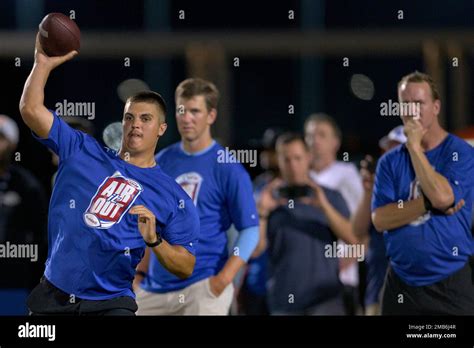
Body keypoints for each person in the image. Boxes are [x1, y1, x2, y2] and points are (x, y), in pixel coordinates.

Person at [20, 33, 199, 316]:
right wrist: (42, 64)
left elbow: (186, 265)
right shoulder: (82, 150)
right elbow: (30, 110)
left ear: (162, 129)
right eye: (130, 117)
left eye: (145, 118)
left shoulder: (172, 195)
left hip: (111, 303)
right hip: (52, 295)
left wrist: (154, 240)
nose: (135, 125)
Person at [135, 78, 259, 315]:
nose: (186, 117)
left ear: (211, 116)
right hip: (155, 287)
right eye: (181, 110)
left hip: (204, 285)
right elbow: (150, 224)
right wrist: (139, 274)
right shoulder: (160, 162)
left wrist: (222, 280)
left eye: (195, 111)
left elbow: (250, 230)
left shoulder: (228, 167)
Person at [371, 71, 474, 315]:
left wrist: (415, 148)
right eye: (406, 103)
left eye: (419, 103)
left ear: (436, 106)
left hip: (450, 283)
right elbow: (380, 219)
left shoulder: (459, 152)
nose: (412, 110)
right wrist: (427, 203)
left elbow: (443, 197)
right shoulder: (389, 162)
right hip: (401, 283)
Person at [258, 133, 359, 315]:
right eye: (286, 159)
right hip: (284, 302)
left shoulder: (330, 196)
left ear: (308, 157)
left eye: (298, 158)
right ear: (278, 161)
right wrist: (262, 213)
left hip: (326, 300)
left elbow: (353, 239)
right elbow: (256, 249)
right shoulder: (268, 200)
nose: (293, 165)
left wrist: (325, 208)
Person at [304, 113, 364, 314]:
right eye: (310, 136)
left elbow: (363, 225)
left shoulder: (347, 174)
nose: (315, 141)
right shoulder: (304, 178)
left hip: (342, 278)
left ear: (336, 142)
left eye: (322, 135)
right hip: (308, 278)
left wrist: (347, 261)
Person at [351, 125, 406, 315]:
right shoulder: (380, 190)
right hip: (378, 294)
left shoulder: (422, 191)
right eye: (388, 151)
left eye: (398, 150)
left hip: (413, 296)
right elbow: (357, 230)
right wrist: (368, 192)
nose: (390, 156)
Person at [0, 115, 47, 314]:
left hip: (13, 283)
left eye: (0, 138)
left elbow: (41, 235)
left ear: (12, 143)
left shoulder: (26, 185)